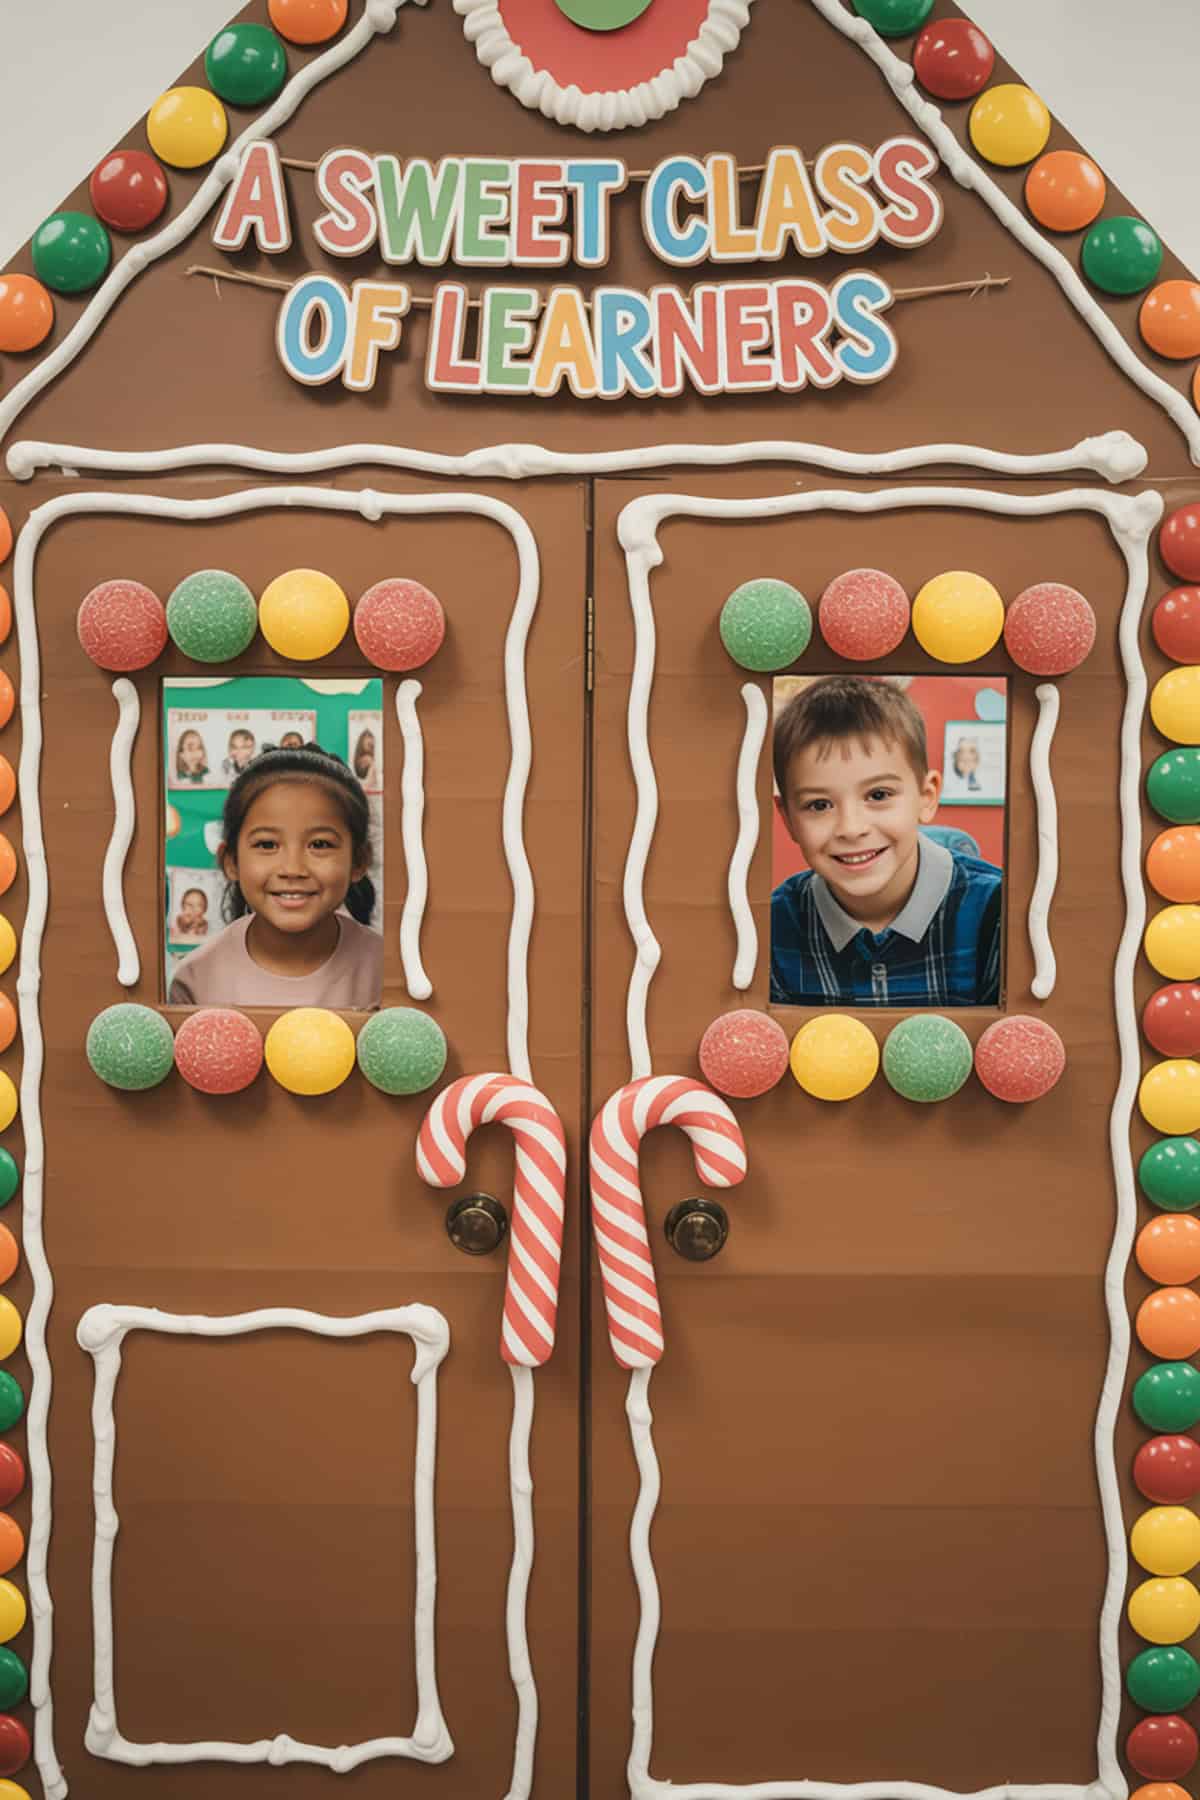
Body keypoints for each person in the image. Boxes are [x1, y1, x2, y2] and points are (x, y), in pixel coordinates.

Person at [771, 675, 1002, 1007]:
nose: (851, 828)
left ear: (926, 796)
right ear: (788, 818)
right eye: (819, 805)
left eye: (878, 795)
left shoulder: (997, 914)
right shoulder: (772, 926)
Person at [167, 743, 382, 1008]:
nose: (292, 869)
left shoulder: (391, 975)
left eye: (320, 844)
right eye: (267, 845)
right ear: (231, 861)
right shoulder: (196, 981)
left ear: (359, 861)